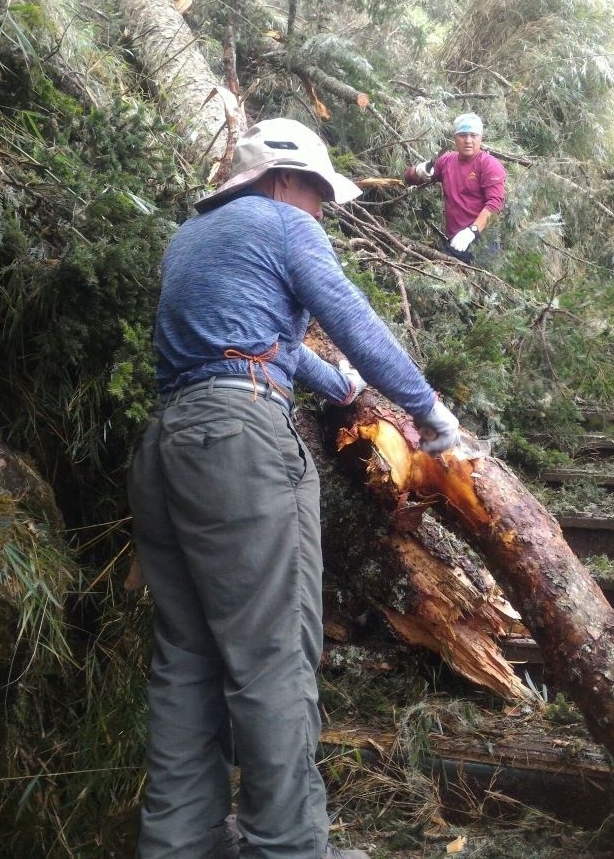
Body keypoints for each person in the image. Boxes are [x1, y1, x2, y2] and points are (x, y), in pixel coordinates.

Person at [127, 117, 463, 859]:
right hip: (242, 447)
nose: (322, 213)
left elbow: (256, 341)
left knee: (187, 658)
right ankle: (289, 847)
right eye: (318, 195)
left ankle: (179, 845)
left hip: (168, 446)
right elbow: (350, 314)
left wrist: (338, 384)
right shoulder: (282, 221)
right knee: (274, 654)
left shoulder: (192, 238)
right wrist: (429, 412)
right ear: (287, 181)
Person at [403, 112, 507, 264]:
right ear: (455, 138)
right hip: (454, 241)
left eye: (473, 135)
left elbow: (495, 205)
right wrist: (419, 170)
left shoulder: (489, 164)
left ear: (481, 138)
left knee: (480, 284)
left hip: (484, 243)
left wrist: (473, 231)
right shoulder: (446, 161)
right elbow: (408, 179)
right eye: (463, 135)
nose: (468, 140)